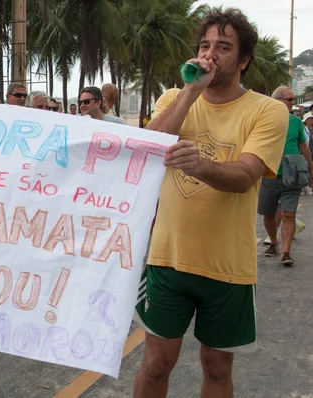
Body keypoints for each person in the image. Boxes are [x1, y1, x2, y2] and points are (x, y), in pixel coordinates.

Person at [134, 8, 288, 398]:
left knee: (217, 368)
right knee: (155, 365)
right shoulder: (175, 97)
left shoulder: (268, 110)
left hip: (228, 267)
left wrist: (199, 164)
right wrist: (191, 91)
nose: (210, 54)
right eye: (205, 45)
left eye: (223, 47)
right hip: (167, 259)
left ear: (244, 59)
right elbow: (148, 148)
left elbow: (244, 176)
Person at [257, 86, 313, 265]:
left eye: (292, 99)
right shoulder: (262, 119)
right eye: (289, 99)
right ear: (277, 100)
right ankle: (274, 242)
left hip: (292, 175)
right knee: (268, 214)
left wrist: (311, 168)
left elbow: (303, 147)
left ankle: (286, 252)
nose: (292, 103)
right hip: (269, 174)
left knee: (289, 213)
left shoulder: (296, 122)